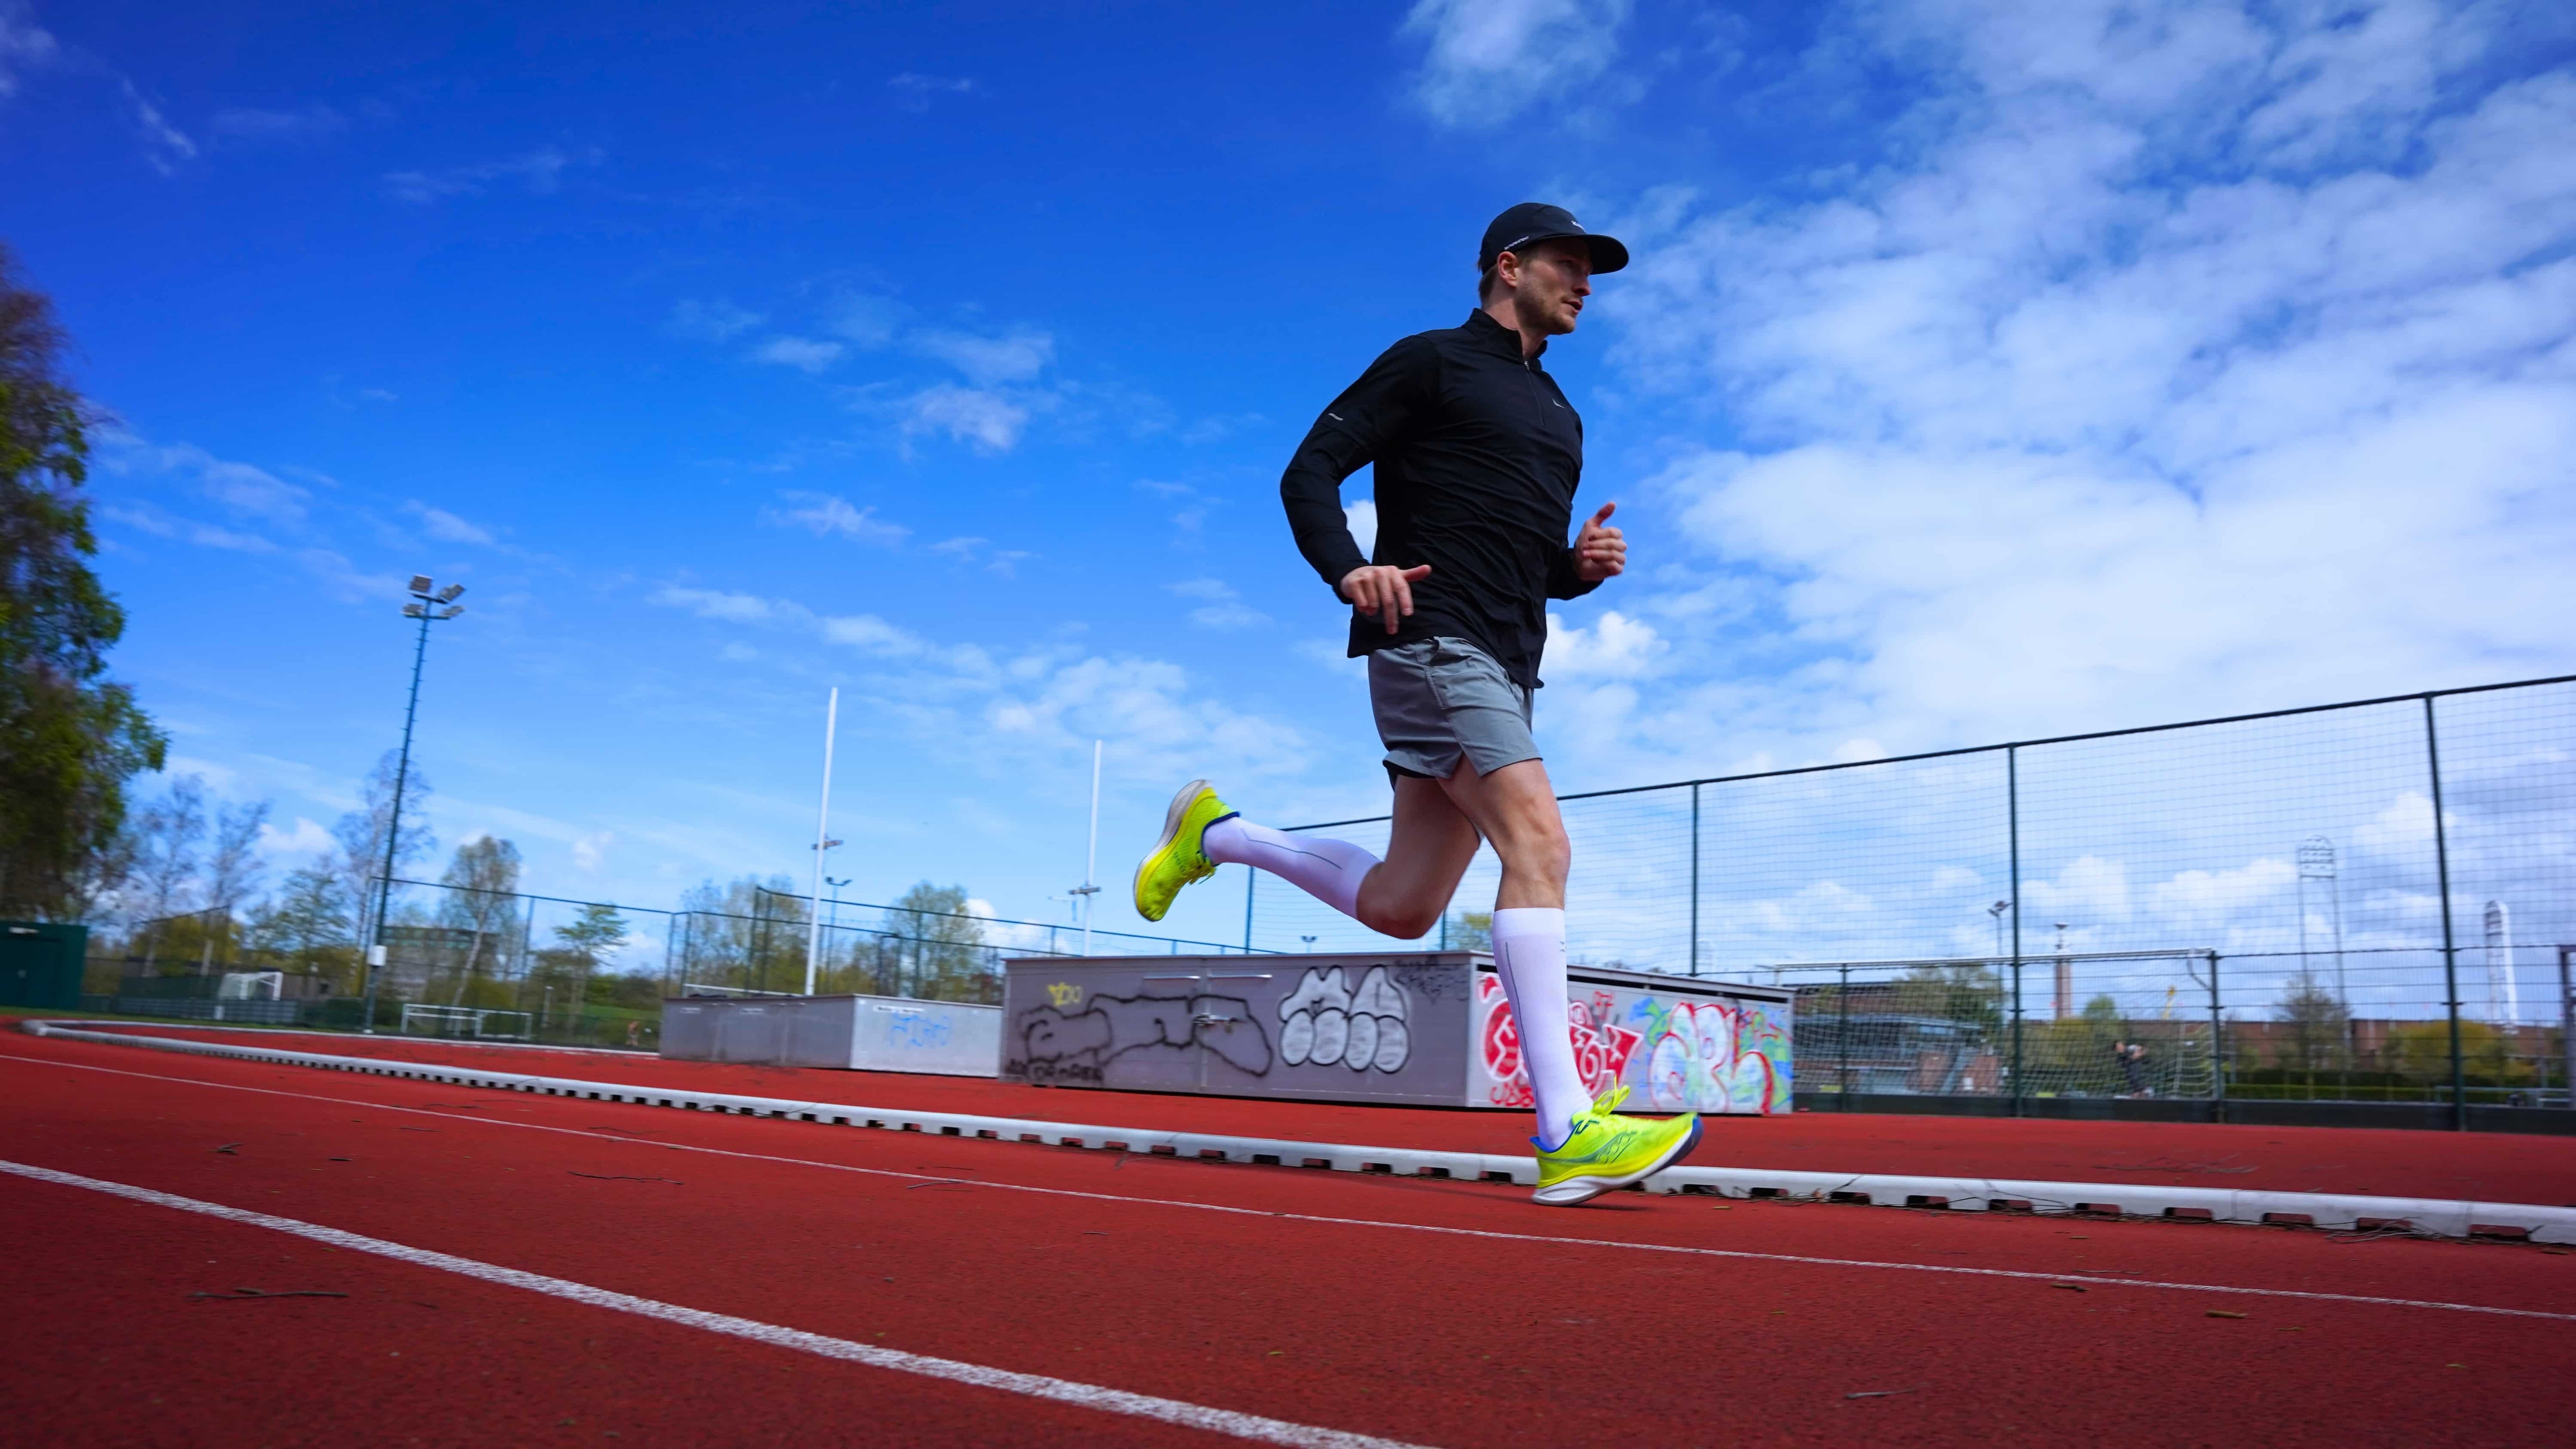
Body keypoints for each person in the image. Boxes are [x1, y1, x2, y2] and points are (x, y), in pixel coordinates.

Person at [1130, 203, 1700, 1207]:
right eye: (1569, 264)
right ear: (1508, 266)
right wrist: (1351, 570)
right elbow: (1308, 471)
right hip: (1433, 641)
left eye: (1592, 271)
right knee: (1543, 850)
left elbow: (1522, 560)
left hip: (1507, 661)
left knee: (1405, 904)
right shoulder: (1432, 361)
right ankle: (1566, 1129)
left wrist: (1577, 570)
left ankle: (1217, 833)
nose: (1587, 285)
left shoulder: (1562, 416)